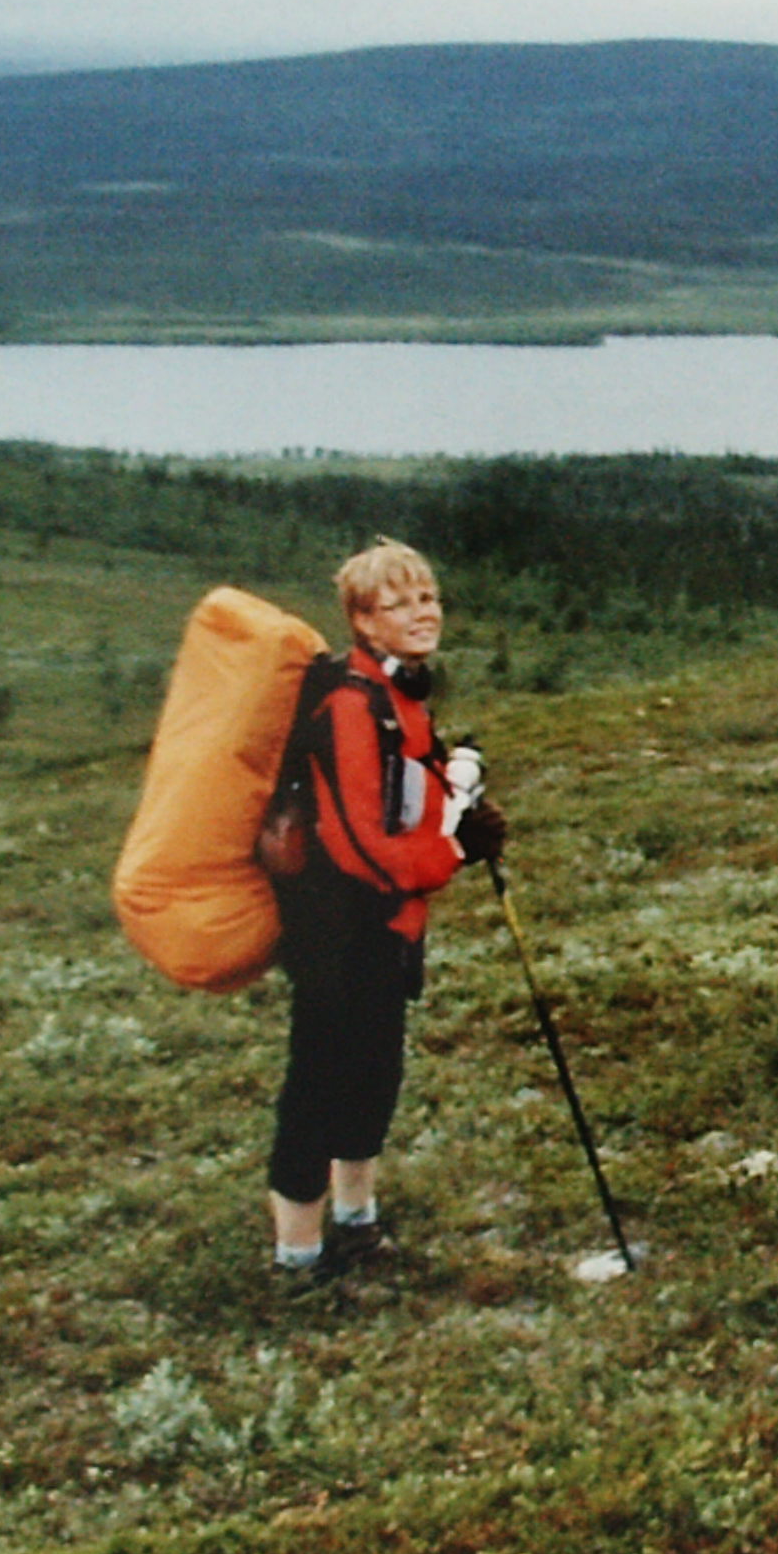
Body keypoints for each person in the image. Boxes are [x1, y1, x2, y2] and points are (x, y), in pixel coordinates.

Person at [267, 539, 506, 1285]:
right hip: (337, 928)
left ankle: (356, 1221)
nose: (422, 613)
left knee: (373, 1074)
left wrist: (460, 817)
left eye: (428, 598)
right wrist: (456, 852)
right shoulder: (350, 704)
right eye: (398, 604)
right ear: (363, 621)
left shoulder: (401, 696)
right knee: (319, 1080)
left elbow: (416, 802)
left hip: (385, 925)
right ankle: (298, 1260)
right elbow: (363, 844)